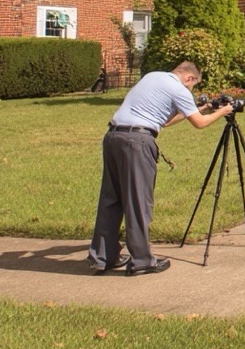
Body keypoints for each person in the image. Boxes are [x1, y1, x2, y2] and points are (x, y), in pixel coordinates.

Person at [87, 60, 234, 275]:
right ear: (189, 78)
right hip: (137, 142)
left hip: (114, 137)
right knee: (138, 201)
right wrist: (225, 111)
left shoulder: (152, 76)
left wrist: (200, 108)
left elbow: (164, 121)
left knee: (112, 198)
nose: (191, 90)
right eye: (192, 85)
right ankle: (142, 261)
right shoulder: (179, 89)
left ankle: (102, 257)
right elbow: (200, 123)